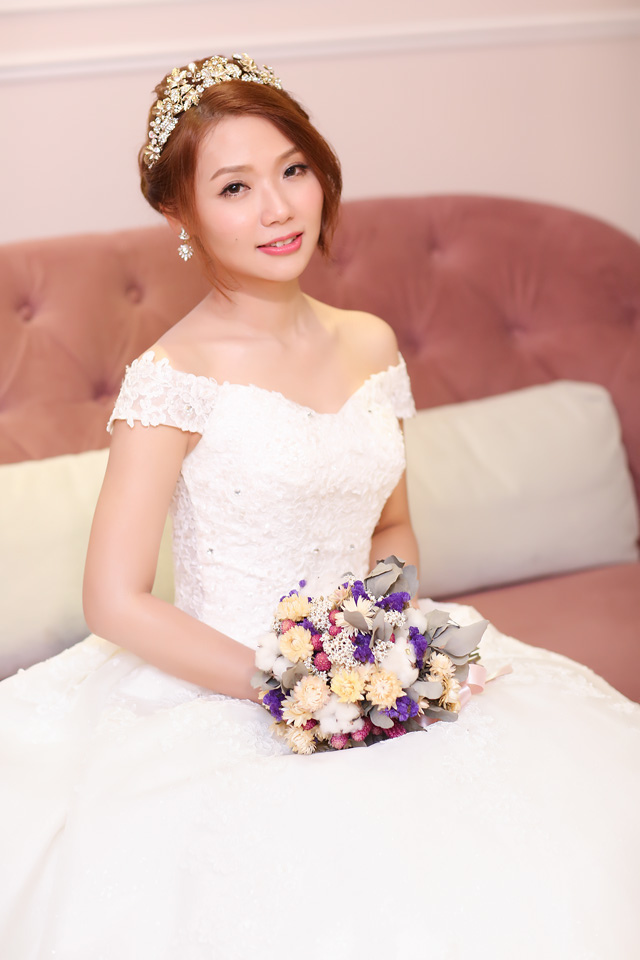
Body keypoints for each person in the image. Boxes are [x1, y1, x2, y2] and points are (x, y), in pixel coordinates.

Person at [0, 54, 638, 960]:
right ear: (181, 215)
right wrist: (286, 687)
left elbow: (391, 526)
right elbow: (113, 598)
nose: (278, 209)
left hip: (370, 666)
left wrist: (382, 642)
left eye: (293, 170)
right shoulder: (171, 376)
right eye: (235, 187)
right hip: (227, 682)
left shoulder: (371, 343)